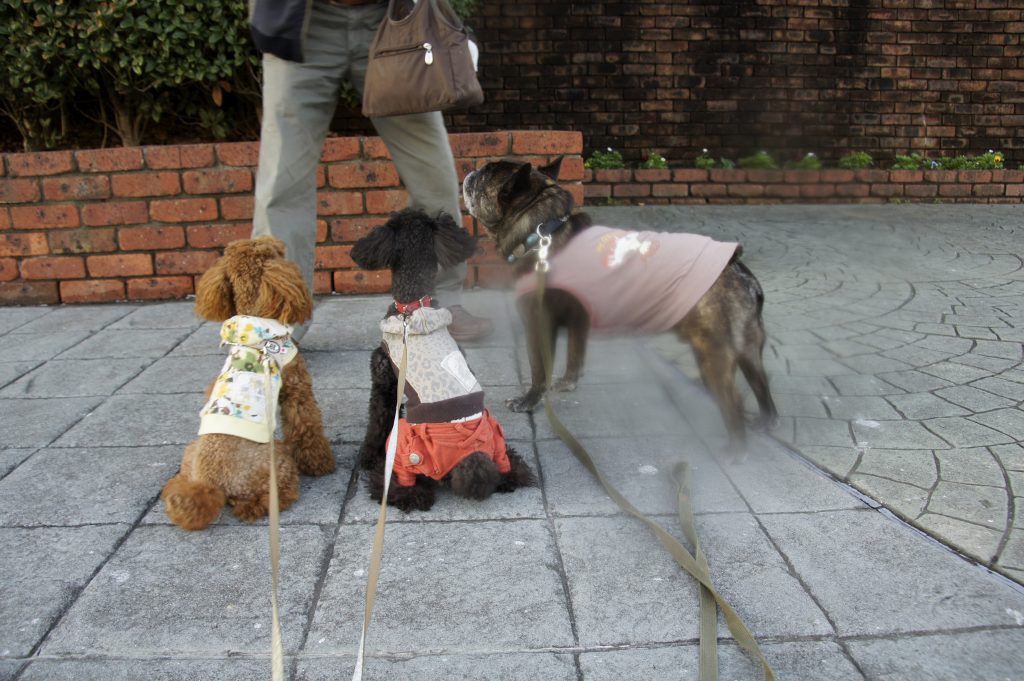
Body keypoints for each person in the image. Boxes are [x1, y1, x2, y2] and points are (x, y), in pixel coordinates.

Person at [248, 0, 493, 342]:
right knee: (281, 184)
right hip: (304, 23)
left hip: (393, 20)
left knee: (432, 177)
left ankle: (438, 304)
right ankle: (275, 319)